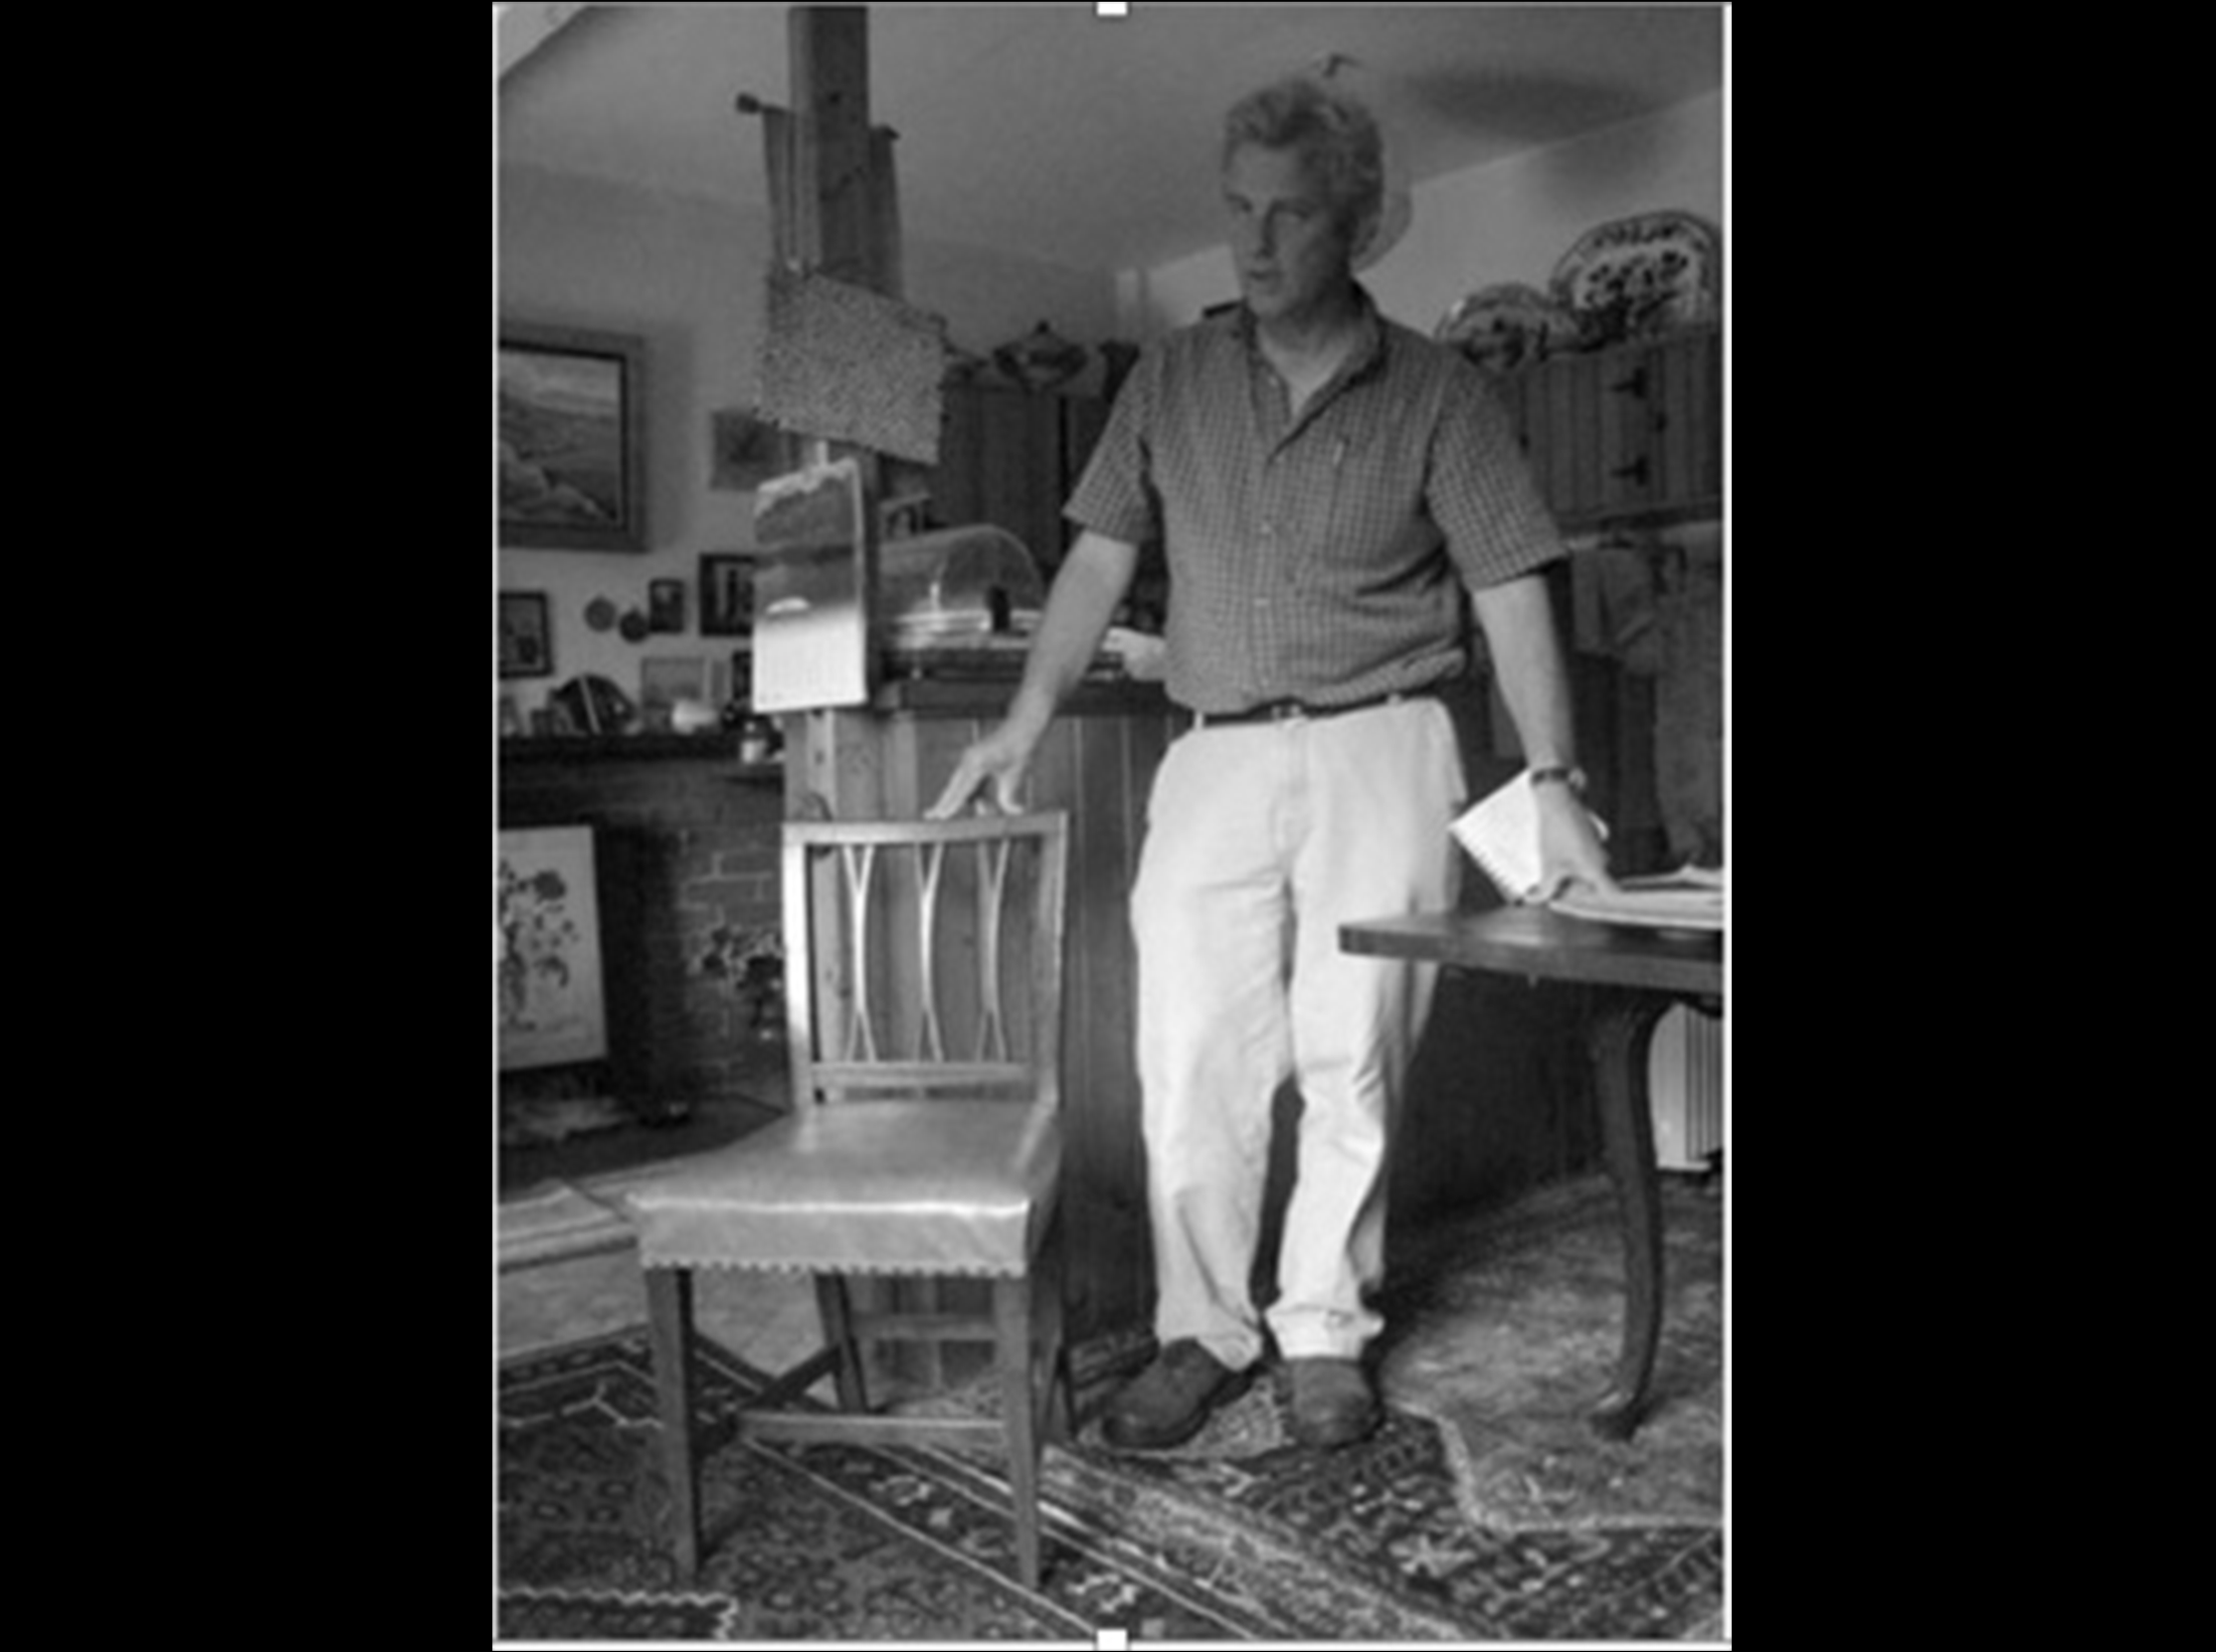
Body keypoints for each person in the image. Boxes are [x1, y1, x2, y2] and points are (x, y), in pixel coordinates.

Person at [930, 75, 1611, 1451]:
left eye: (1289, 216)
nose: (1253, 244)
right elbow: (1099, 557)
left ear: (1355, 228)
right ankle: (1201, 1333)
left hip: (1387, 741)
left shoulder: (1437, 389)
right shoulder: (1169, 380)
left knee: (1351, 1052)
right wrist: (1021, 719)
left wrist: (1554, 778)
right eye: (1237, 211)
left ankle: (1321, 1332)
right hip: (1215, 753)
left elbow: (1508, 587)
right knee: (1189, 1057)